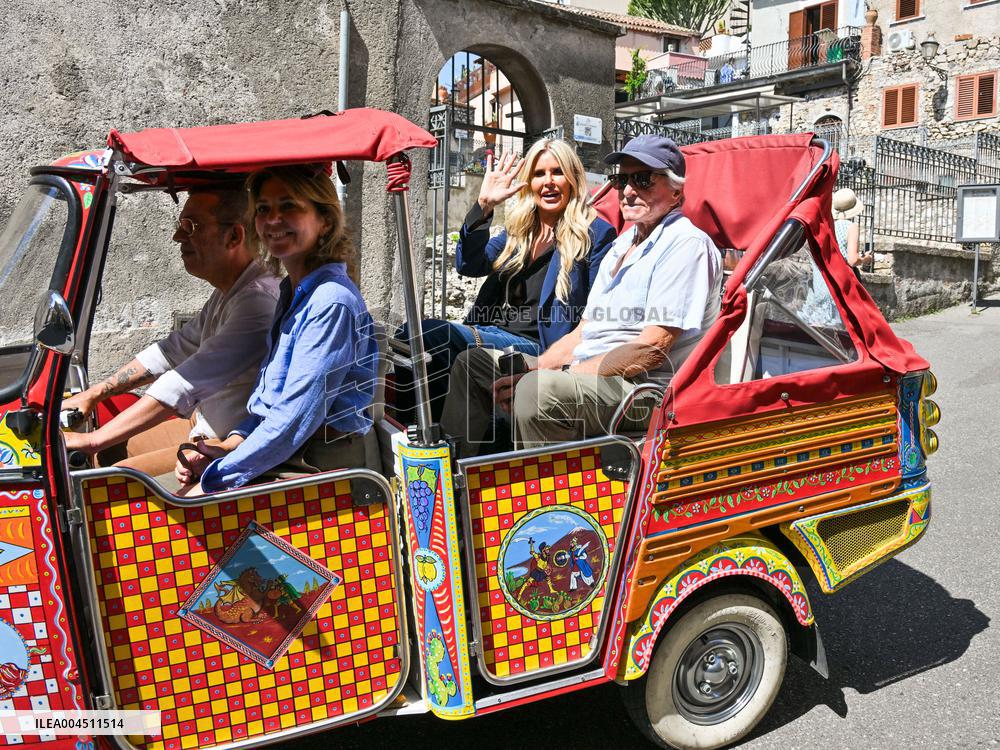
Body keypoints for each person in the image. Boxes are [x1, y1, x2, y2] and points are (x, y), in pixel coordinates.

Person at [502, 134, 723, 448]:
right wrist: (536, 365)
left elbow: (652, 349)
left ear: (676, 191)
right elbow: (583, 333)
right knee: (479, 366)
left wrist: (568, 372)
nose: (629, 191)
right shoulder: (622, 245)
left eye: (643, 179)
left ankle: (549, 494)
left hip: (647, 392)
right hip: (602, 378)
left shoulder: (685, 244)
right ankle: (456, 484)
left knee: (538, 392)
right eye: (622, 180)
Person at [174, 164, 377, 495]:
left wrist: (216, 477)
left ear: (324, 221)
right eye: (264, 209)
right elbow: (271, 401)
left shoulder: (330, 302)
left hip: (320, 467)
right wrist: (230, 446)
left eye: (289, 206)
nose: (272, 220)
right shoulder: (291, 292)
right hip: (284, 455)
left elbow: (293, 422)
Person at [62, 187, 280, 476]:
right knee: (107, 453)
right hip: (201, 426)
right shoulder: (231, 291)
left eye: (191, 226)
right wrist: (94, 394)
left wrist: (91, 439)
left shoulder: (256, 303)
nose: (178, 237)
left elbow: (183, 383)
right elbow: (170, 351)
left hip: (228, 442)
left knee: (115, 479)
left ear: (234, 237)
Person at [409, 138, 616, 427]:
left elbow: (597, 316)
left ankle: (424, 440)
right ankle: (416, 434)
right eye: (539, 174)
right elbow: (468, 265)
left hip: (539, 347)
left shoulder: (595, 233)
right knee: (410, 333)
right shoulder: (519, 229)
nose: (549, 182)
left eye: (557, 172)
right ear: (528, 182)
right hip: (490, 330)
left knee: (431, 334)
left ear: (573, 179)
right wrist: (483, 206)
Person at [832, 187, 872, 271]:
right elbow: (853, 260)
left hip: (824, 276)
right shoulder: (851, 227)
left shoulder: (829, 225)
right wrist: (866, 259)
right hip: (841, 275)